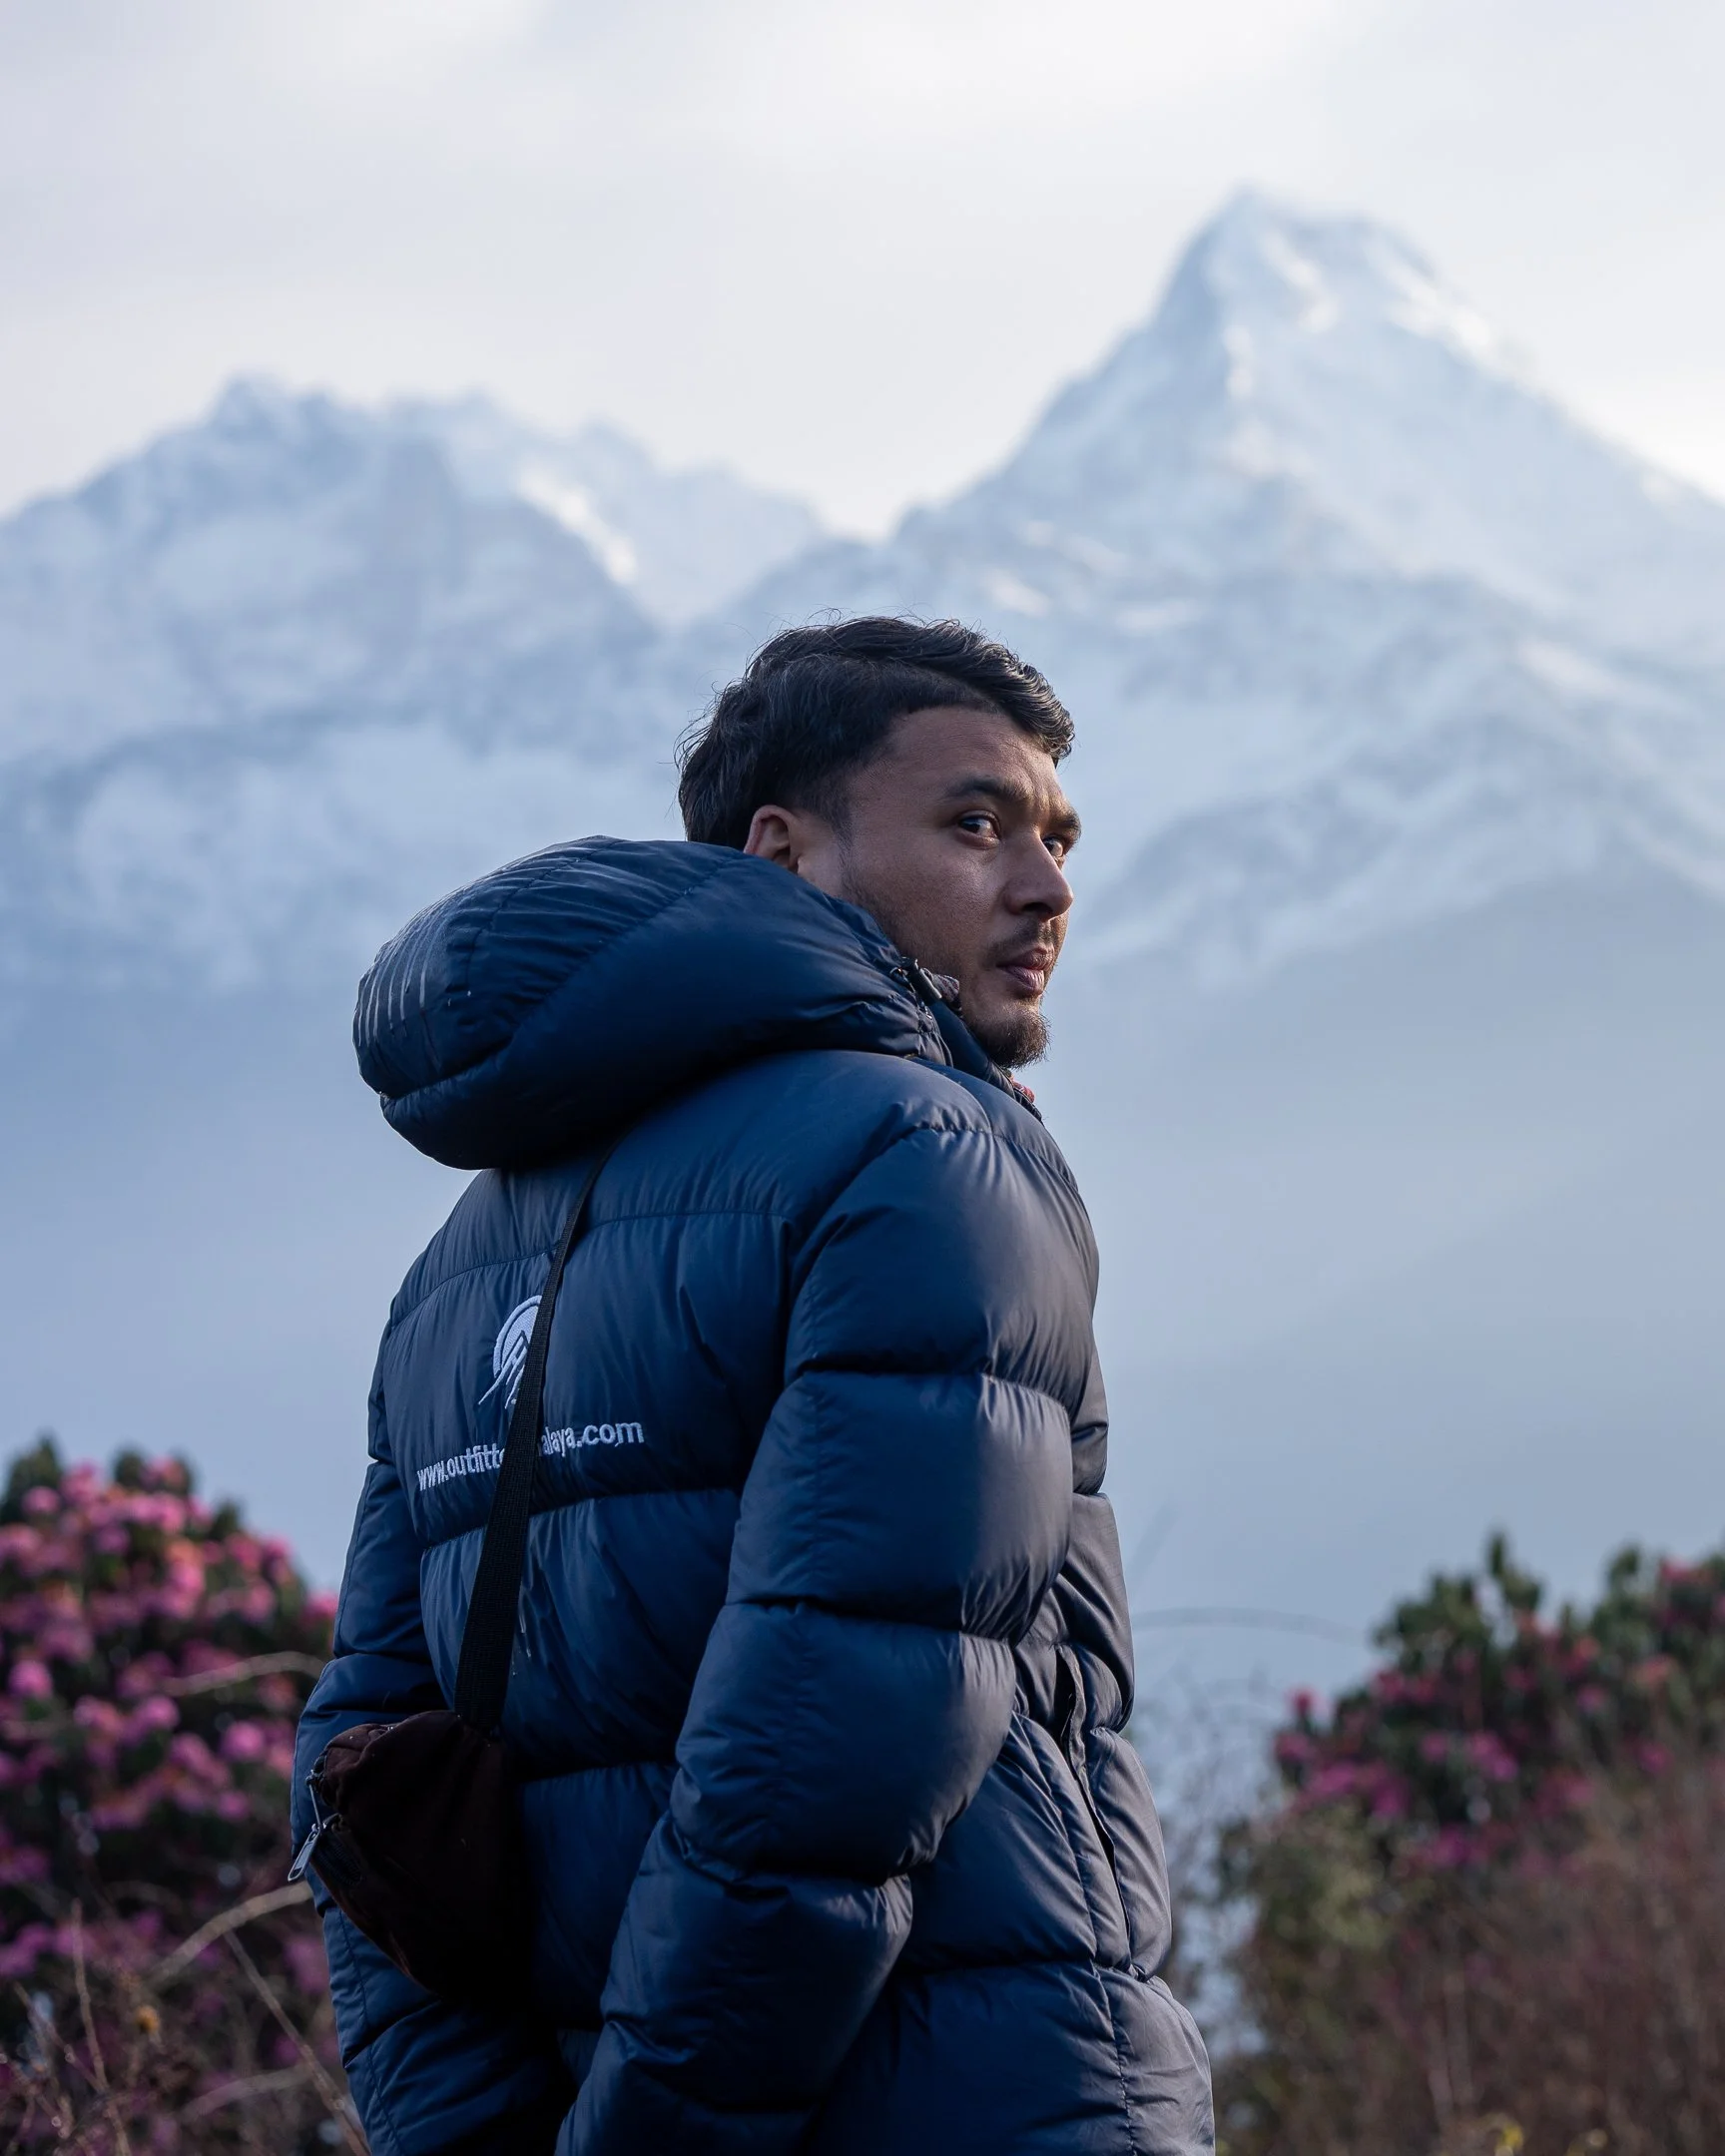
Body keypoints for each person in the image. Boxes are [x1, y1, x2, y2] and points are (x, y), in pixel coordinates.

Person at [293, 616, 1214, 2155]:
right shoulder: (923, 1154)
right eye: (974, 823)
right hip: (976, 2101)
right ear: (782, 855)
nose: (1046, 887)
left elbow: (364, 1782)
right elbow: (834, 1757)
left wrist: (469, 2130)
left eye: (1056, 835)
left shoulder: (463, 1257)